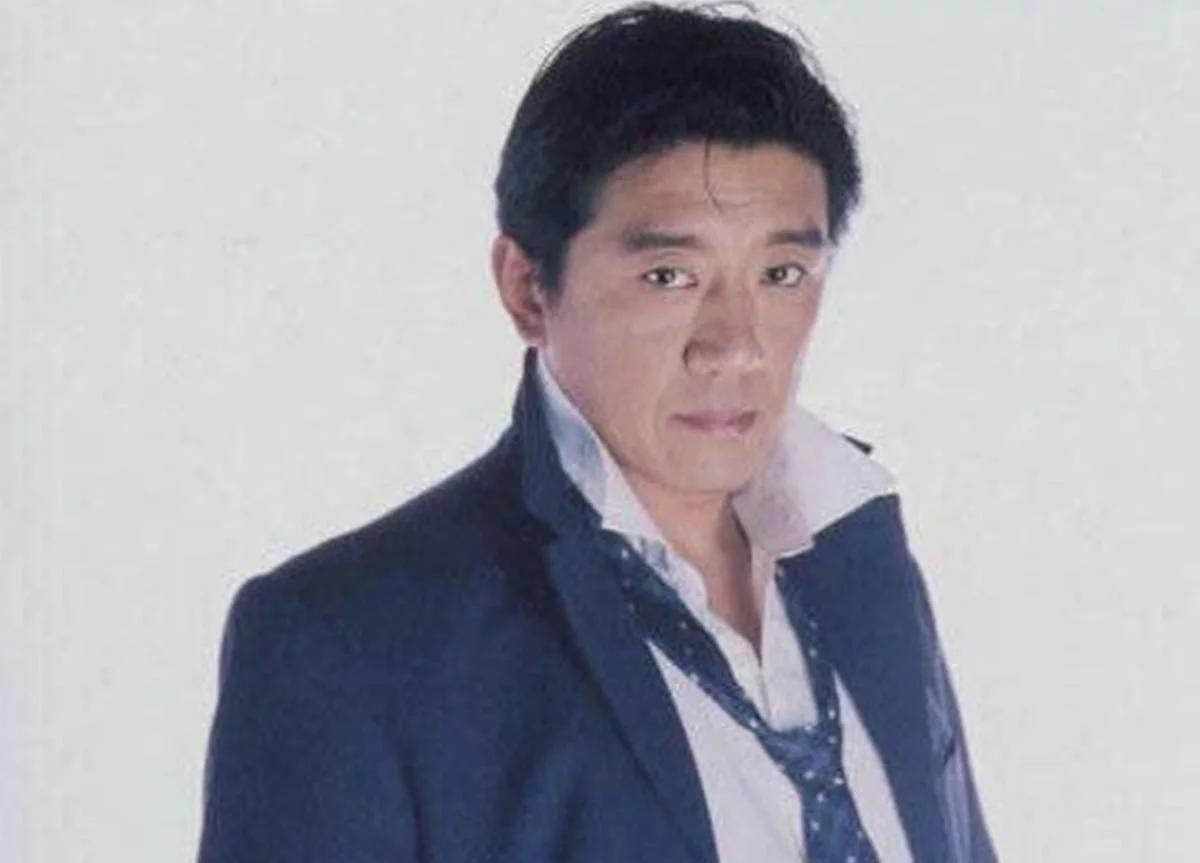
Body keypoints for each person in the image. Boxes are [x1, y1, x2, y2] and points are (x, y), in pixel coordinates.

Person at [197, 4, 996, 861]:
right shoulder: (351, 645)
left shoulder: (861, 552)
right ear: (526, 288)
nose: (734, 345)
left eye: (780, 272)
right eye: (669, 275)